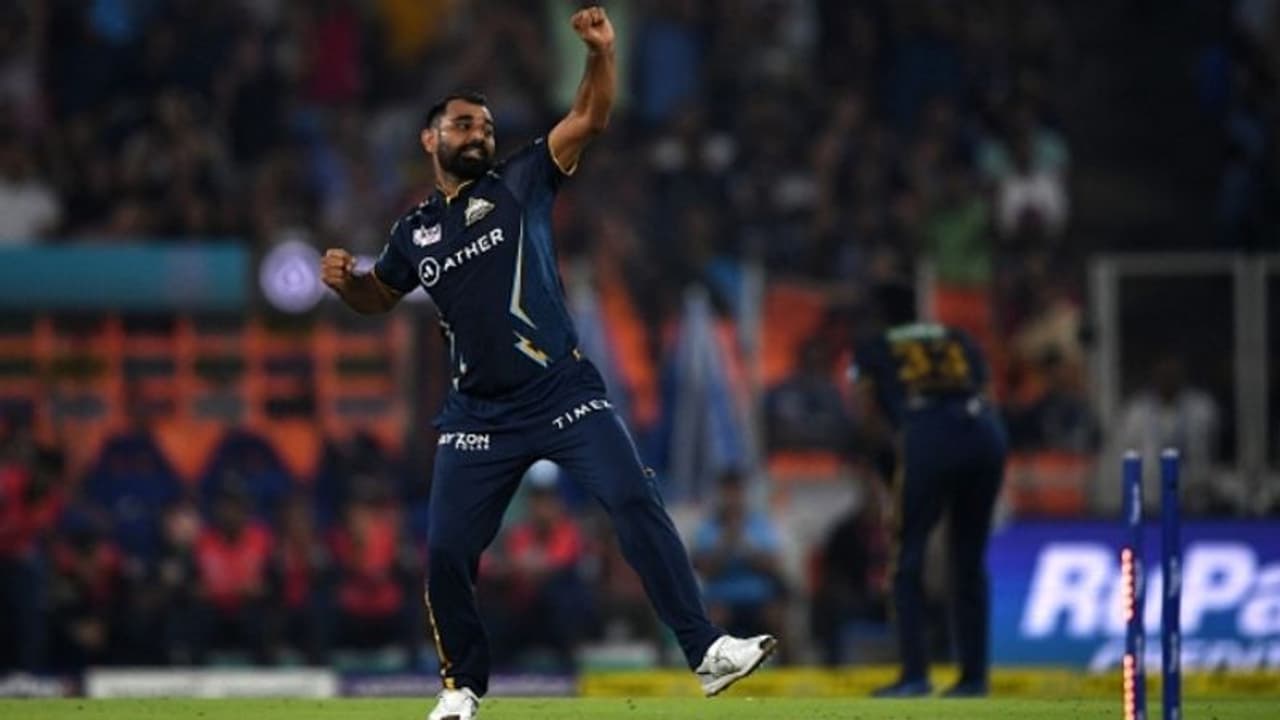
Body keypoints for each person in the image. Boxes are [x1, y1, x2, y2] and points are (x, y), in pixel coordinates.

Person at [319, 8, 774, 719]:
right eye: (464, 125)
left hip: (562, 392)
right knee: (447, 552)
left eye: (486, 127)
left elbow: (590, 117)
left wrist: (601, 54)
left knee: (634, 501)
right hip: (478, 416)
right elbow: (380, 297)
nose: (480, 135)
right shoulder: (414, 232)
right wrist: (348, 283)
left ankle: (707, 650)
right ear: (431, 139)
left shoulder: (521, 180)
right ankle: (461, 688)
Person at [850, 282, 1007, 698]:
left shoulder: (874, 346)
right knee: (968, 560)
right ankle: (974, 678)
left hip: (929, 434)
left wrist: (890, 478)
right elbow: (987, 393)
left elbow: (868, 415)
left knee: (907, 558)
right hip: (986, 433)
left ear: (878, 315)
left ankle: (915, 675)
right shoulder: (957, 336)